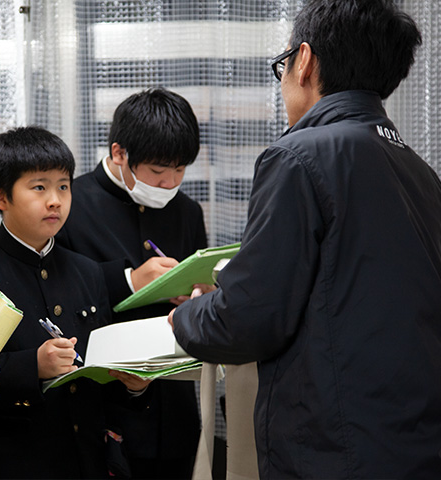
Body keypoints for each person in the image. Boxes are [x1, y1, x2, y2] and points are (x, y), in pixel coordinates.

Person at [170, 0, 441, 478]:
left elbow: (252, 318)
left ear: (305, 61)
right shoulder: (418, 171)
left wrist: (186, 317)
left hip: (335, 447)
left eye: (283, 65)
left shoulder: (299, 154)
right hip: (412, 439)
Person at [0, 126, 144, 479]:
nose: (55, 200)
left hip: (87, 463)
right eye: (39, 187)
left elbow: (100, 382)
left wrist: (133, 388)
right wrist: (32, 366)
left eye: (63, 186)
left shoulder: (88, 272)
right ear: (0, 196)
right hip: (11, 465)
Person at [56, 87, 207, 478]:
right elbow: (56, 298)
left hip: (175, 406)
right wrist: (129, 281)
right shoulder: (71, 203)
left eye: (181, 169)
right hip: (104, 407)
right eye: (158, 171)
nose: (170, 182)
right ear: (120, 153)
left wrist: (201, 295)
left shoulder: (187, 211)